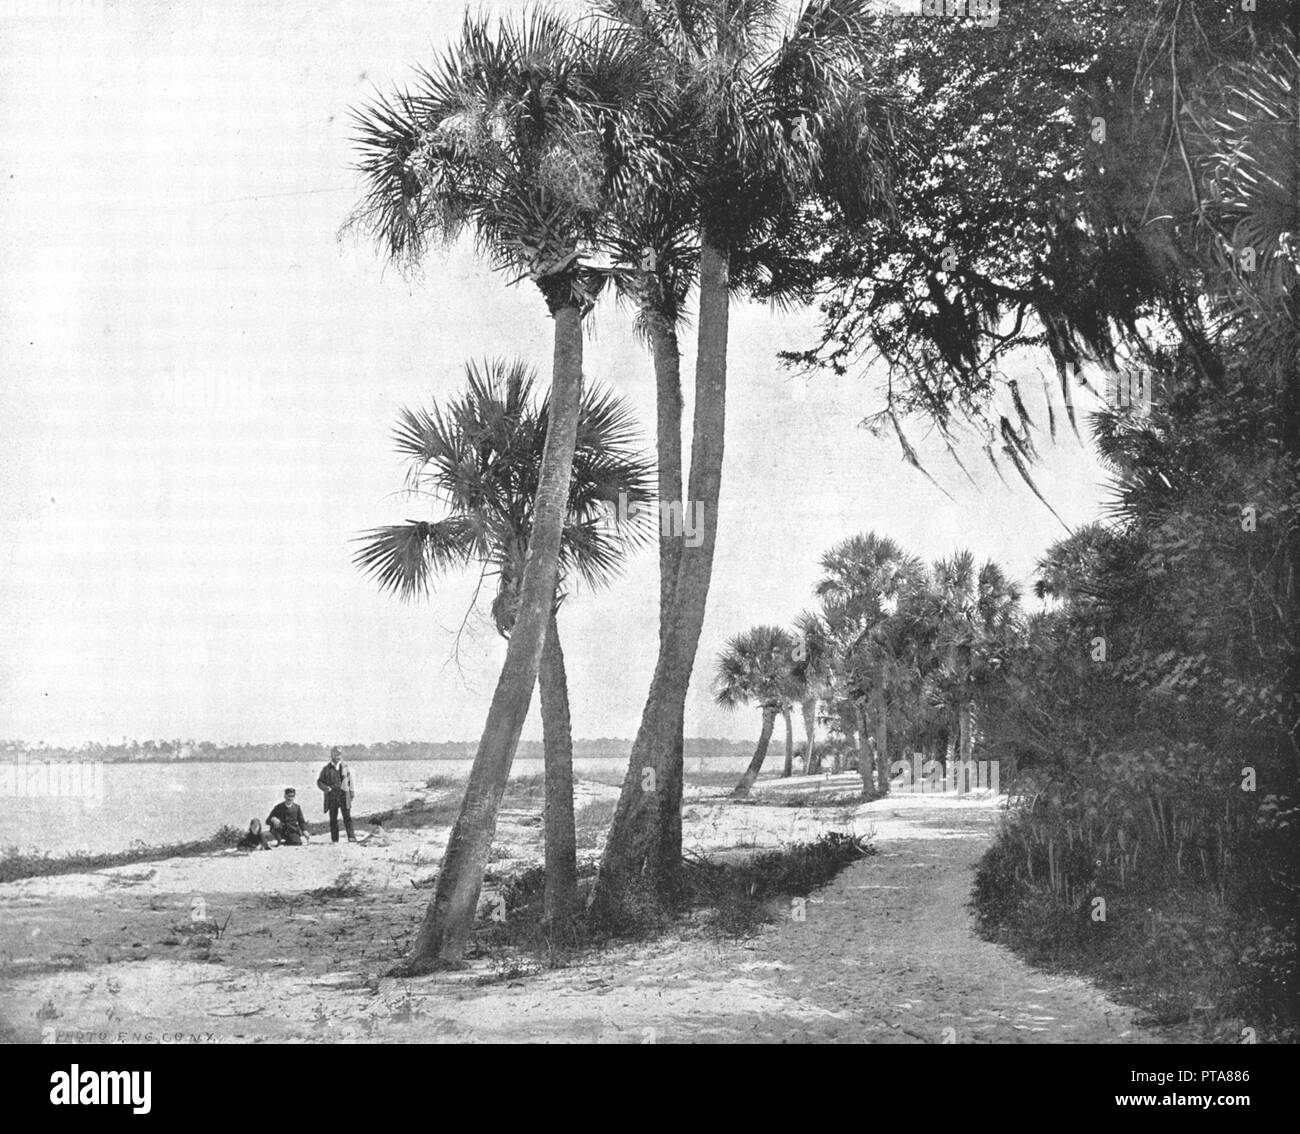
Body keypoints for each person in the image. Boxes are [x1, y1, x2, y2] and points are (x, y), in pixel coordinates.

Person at [316, 746, 356, 843]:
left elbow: (350, 781)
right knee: (333, 818)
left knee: (347, 817)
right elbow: (319, 781)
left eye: (339, 754)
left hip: (344, 795)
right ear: (331, 755)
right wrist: (326, 788)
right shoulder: (326, 768)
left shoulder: (345, 767)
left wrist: (351, 793)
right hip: (332, 796)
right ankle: (335, 839)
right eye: (336, 754)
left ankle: (351, 837)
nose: (338, 756)